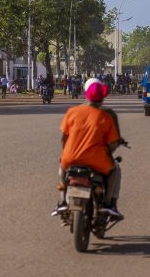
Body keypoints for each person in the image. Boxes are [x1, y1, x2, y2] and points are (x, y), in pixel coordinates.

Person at [52, 78, 124, 220]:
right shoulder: (106, 116)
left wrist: (66, 153)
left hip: (70, 158)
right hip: (96, 160)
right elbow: (112, 144)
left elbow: (63, 137)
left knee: (62, 166)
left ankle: (62, 201)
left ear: (85, 94)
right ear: (102, 99)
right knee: (115, 170)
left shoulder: (72, 111)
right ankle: (107, 203)